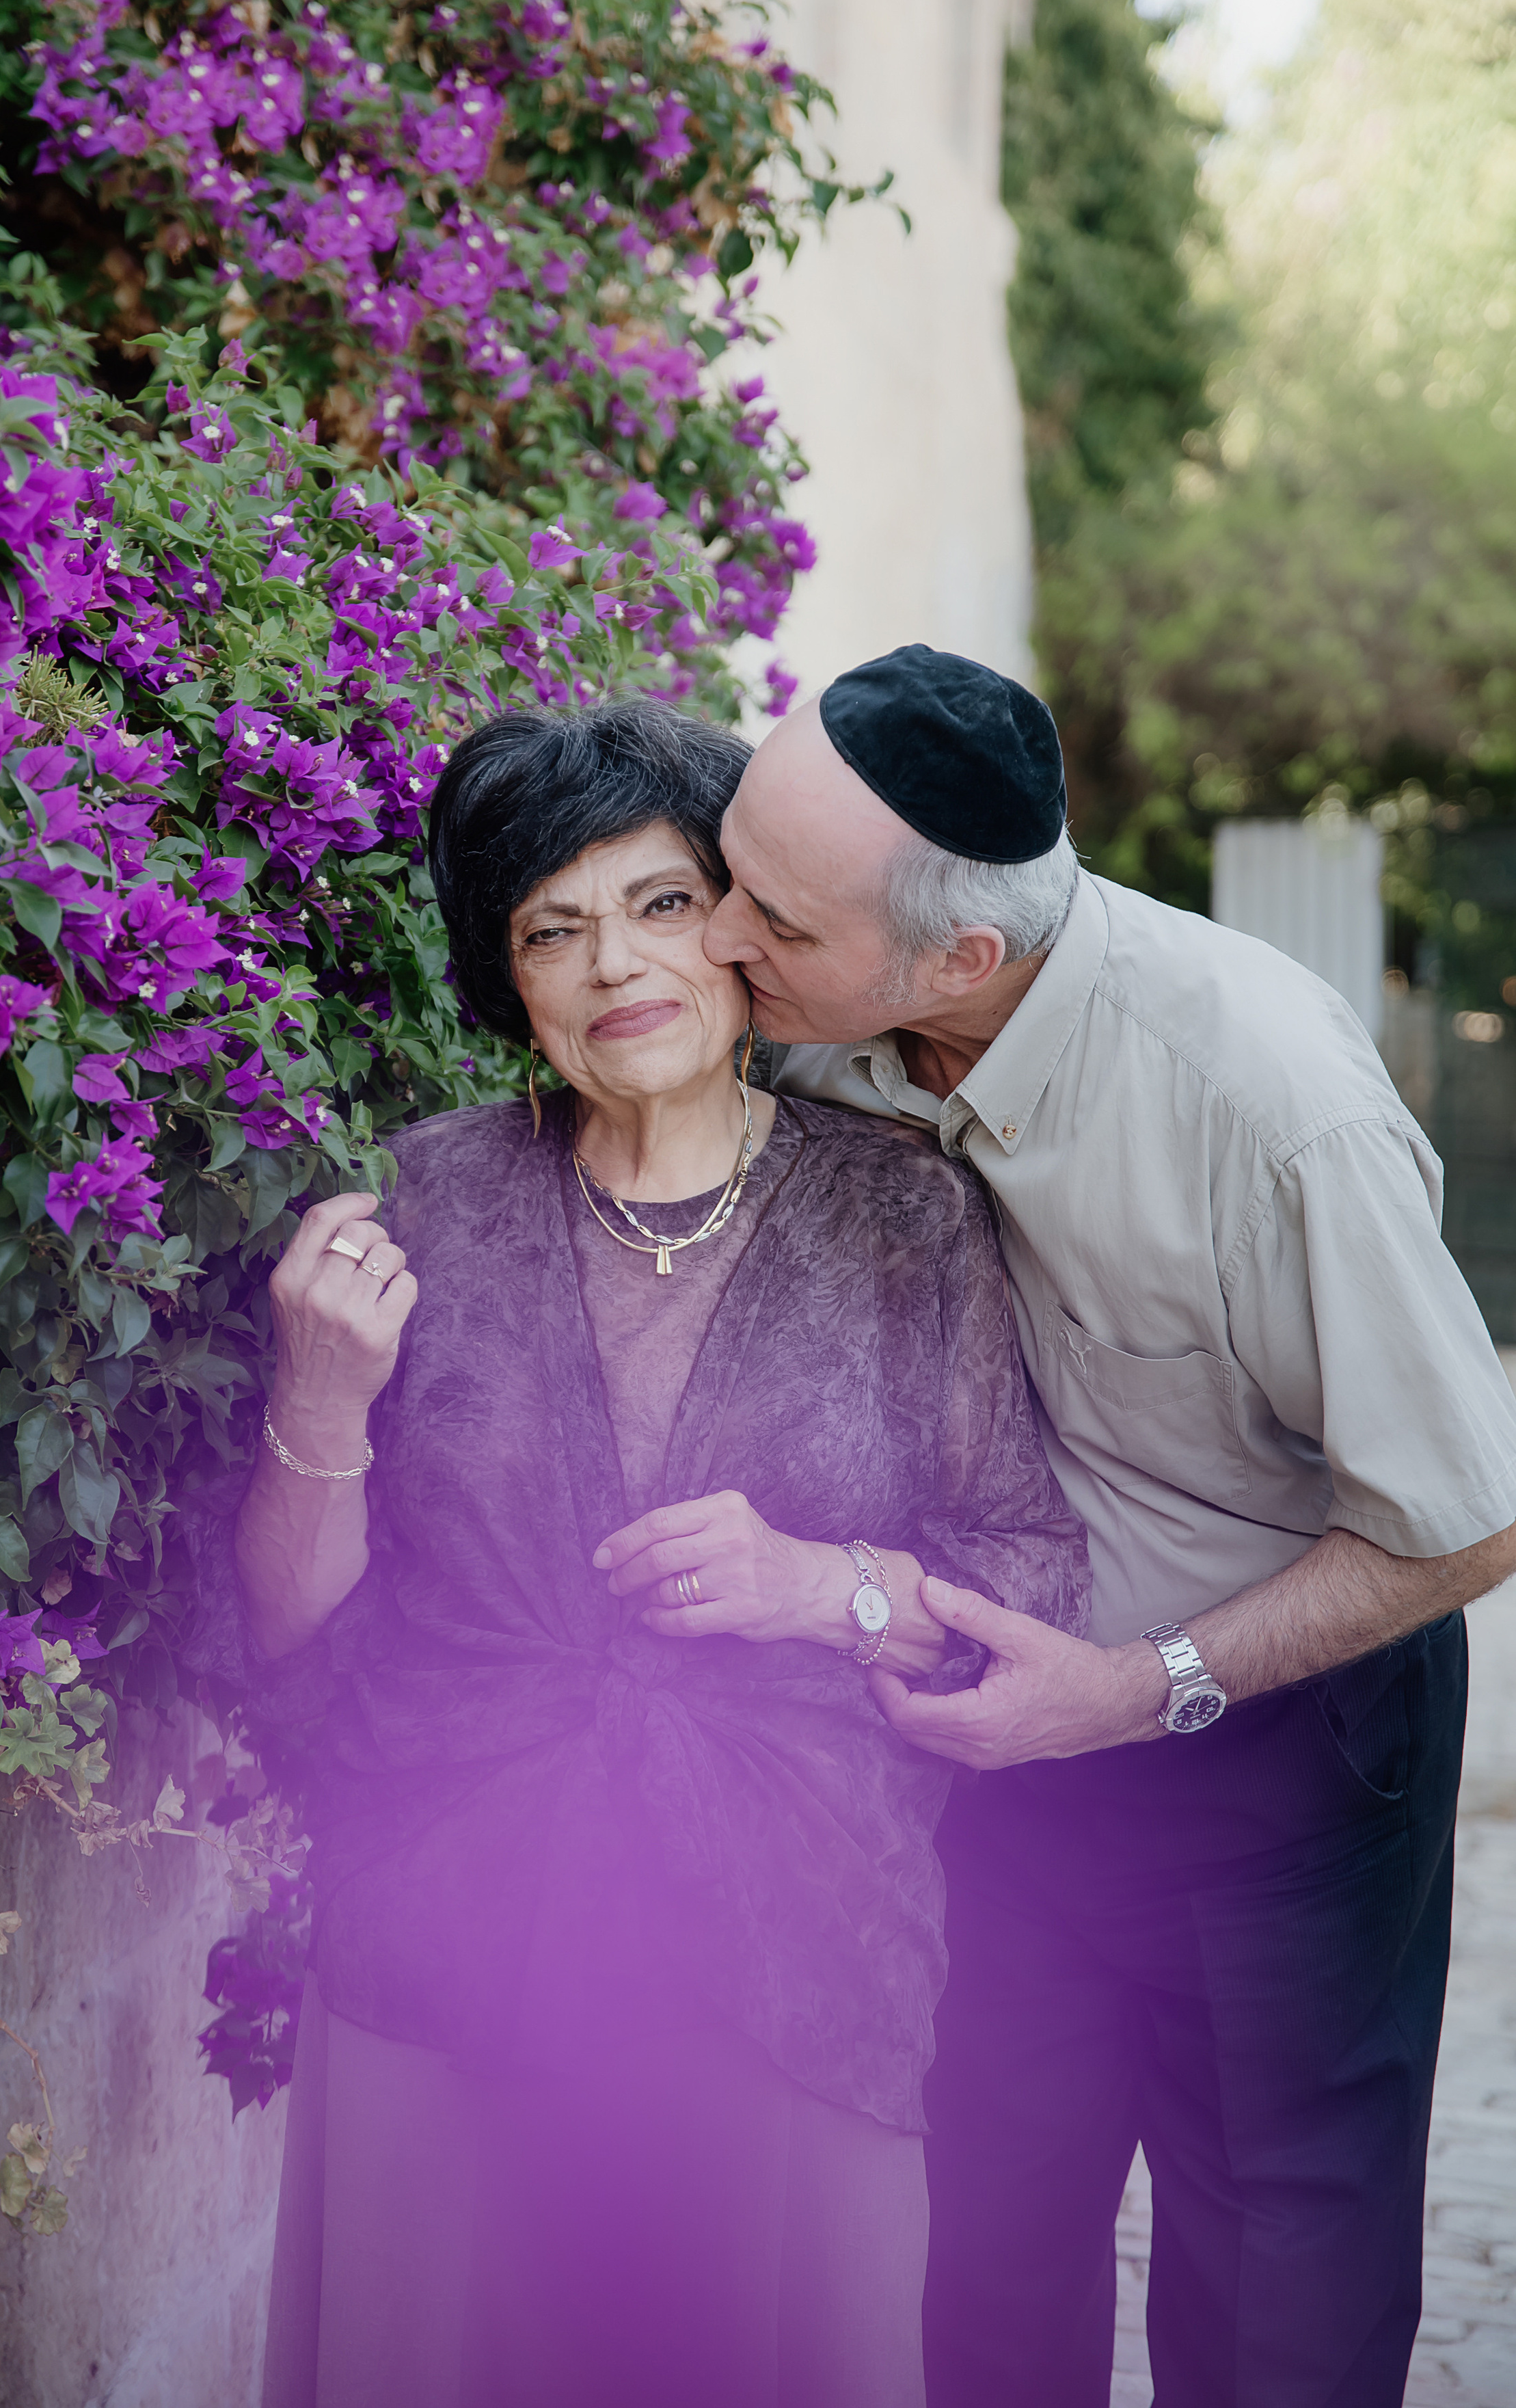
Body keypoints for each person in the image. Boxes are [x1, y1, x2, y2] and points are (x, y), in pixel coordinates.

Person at [191, 697, 1089, 2408]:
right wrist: (319, 1400)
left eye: (661, 902)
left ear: (741, 931)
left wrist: (817, 1586)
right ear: (505, 977)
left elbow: (1028, 1579)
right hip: (444, 1948)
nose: (618, 962)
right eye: (553, 925)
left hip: (799, 1952)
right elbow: (299, 1641)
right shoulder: (416, 1207)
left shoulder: (900, 1213)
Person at [703, 641, 1516, 2408]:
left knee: (1277, 2283)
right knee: (990, 2252)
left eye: (768, 916)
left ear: (964, 956)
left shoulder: (1267, 1100)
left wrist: (1134, 1688)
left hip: (1281, 1733)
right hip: (991, 1742)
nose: (714, 941)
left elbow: (1466, 1519)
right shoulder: (831, 1038)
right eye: (724, 875)